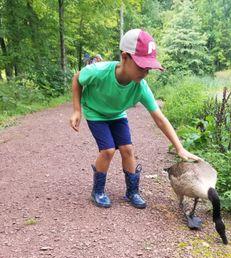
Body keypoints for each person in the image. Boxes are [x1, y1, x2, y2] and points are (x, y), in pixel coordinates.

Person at [70, 28, 200, 209]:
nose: (145, 73)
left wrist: (180, 148)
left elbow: (159, 118)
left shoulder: (141, 87)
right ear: (125, 57)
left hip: (117, 114)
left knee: (127, 149)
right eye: (141, 66)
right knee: (108, 150)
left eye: (148, 68)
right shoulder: (99, 71)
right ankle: (98, 191)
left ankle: (132, 191)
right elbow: (77, 79)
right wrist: (77, 110)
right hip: (96, 113)